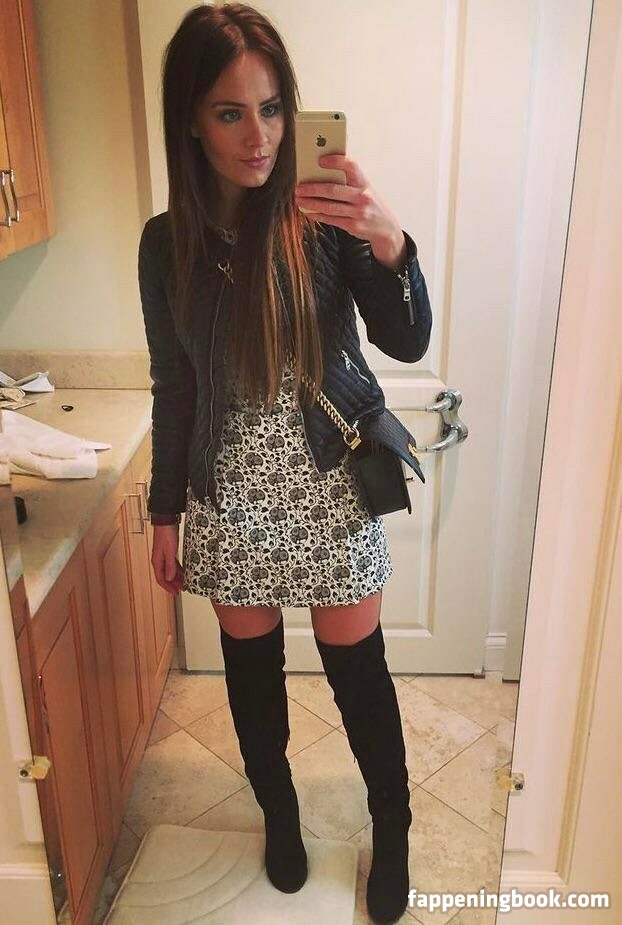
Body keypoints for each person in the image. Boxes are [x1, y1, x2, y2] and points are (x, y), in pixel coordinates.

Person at [137, 4, 432, 923]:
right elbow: (174, 386)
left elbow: (407, 339)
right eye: (230, 112)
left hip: (331, 487)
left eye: (271, 109)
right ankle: (281, 815)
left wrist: (388, 241)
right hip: (231, 497)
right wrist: (163, 512)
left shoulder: (322, 219)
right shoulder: (167, 244)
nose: (258, 135)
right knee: (253, 683)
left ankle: (395, 826)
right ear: (191, 120)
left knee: (360, 680)